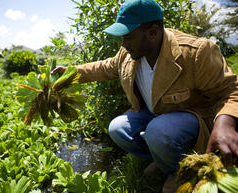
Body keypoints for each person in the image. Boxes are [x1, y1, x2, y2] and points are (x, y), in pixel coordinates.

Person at [52, 0, 238, 192]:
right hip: (156, 117)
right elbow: (104, 67)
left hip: (192, 120)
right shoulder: (129, 53)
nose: (123, 44)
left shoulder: (196, 53)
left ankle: (180, 172)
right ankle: (164, 161)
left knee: (159, 132)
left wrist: (225, 124)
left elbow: (232, 89)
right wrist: (70, 73)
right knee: (118, 129)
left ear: (153, 32)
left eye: (129, 37)